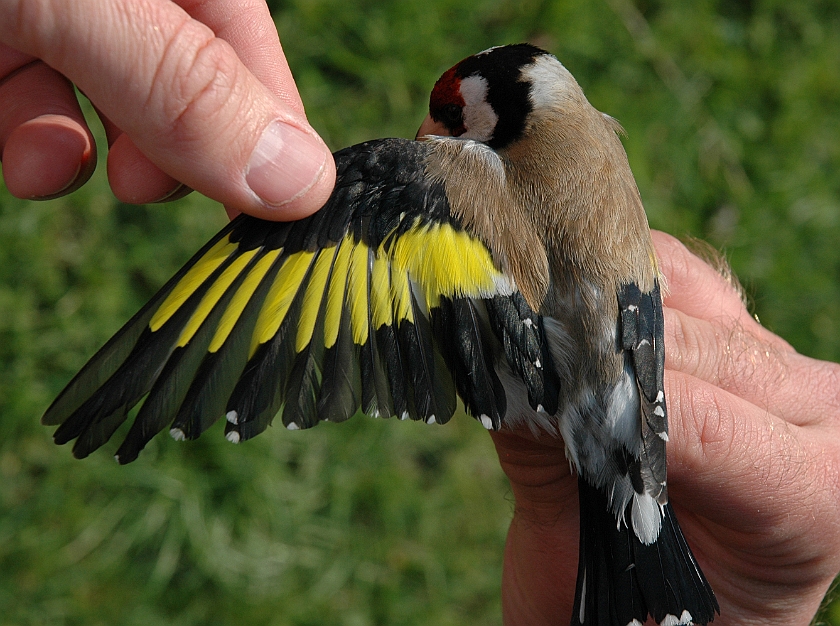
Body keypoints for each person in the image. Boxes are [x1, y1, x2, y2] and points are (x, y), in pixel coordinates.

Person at [2, 1, 839, 624]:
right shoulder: (603, 141)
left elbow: (350, 235)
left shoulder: (431, 182)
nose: (434, 128)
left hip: (583, 413)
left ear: (496, 102)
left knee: (366, 189)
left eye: (447, 112)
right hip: (636, 394)